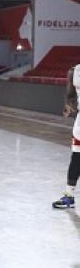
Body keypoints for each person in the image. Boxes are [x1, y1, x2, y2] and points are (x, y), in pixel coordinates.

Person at [52, 64, 80, 209]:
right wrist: (69, 104)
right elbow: (70, 93)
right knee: (76, 158)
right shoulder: (75, 70)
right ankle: (69, 196)